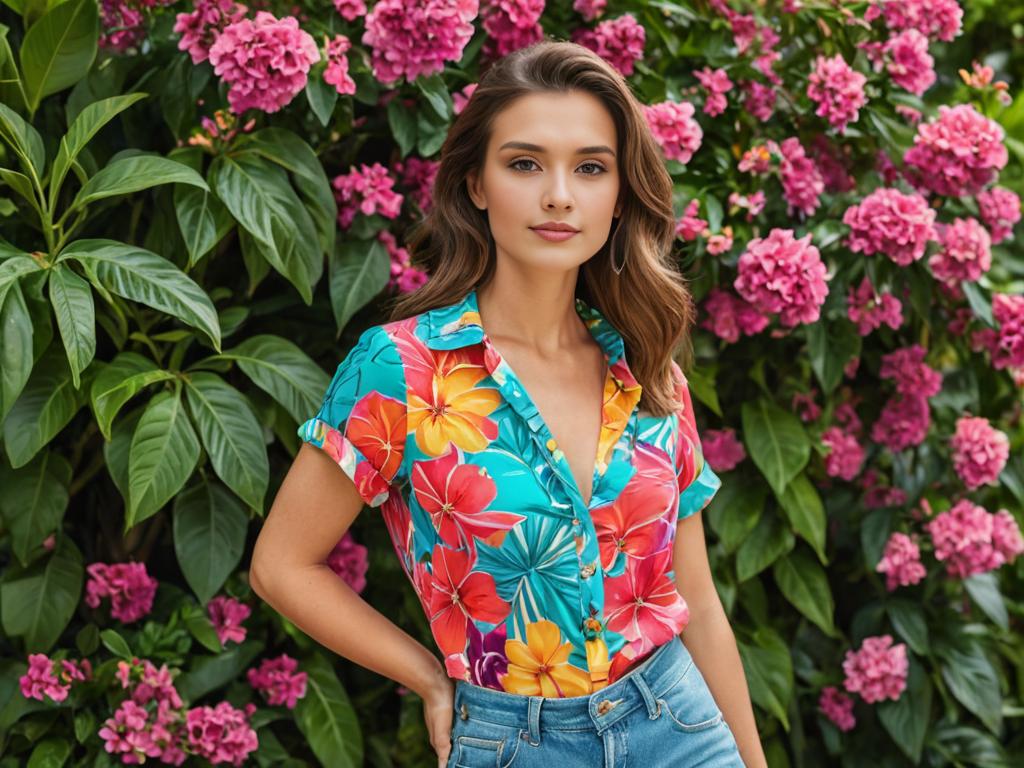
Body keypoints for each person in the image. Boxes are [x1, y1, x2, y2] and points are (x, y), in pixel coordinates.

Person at [251, 38, 767, 768]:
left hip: (678, 725)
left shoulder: (650, 372)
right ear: (476, 184)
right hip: (515, 743)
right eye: (525, 164)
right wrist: (430, 678)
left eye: (590, 168)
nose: (559, 194)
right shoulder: (400, 369)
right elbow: (281, 565)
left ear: (619, 197)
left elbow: (699, 604)